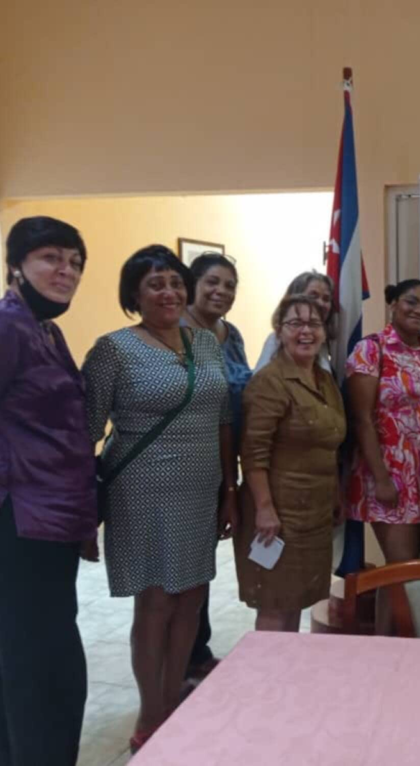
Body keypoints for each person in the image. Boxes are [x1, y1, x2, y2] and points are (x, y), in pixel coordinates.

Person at [0, 217, 95, 766]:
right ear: (16, 265)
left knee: (12, 667)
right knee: (50, 680)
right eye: (51, 258)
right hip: (6, 529)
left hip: (44, 528)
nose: (66, 271)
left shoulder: (43, 330)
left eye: (75, 262)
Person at [83, 245, 238, 753]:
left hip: (200, 489)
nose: (168, 292)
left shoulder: (206, 343)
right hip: (142, 492)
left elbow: (222, 419)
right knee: (156, 602)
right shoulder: (113, 350)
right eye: (155, 284)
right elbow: (85, 432)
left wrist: (229, 491)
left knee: (191, 597)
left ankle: (175, 699)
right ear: (134, 295)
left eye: (175, 282)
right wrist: (82, 513)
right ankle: (152, 713)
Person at [345, 279, 420, 634]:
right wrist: (381, 478)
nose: (419, 310)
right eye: (412, 301)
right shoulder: (371, 349)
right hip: (389, 473)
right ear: (393, 302)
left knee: (409, 570)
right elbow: (362, 419)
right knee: (401, 567)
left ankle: (391, 642)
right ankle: (390, 647)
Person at [236, 293, 345, 630]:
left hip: (315, 511)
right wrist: (264, 508)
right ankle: (269, 666)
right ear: (279, 331)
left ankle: (287, 665)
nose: (306, 331)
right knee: (274, 602)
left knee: (296, 599)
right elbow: (253, 452)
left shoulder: (324, 380)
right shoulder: (269, 382)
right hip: (278, 513)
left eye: (314, 323)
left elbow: (329, 444)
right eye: (295, 323)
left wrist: (336, 496)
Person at [181, 252, 253, 682]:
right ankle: (178, 662)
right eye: (212, 282)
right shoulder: (176, 333)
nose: (221, 291)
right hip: (184, 467)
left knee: (200, 566)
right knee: (181, 571)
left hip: (224, 464)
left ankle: (196, 649)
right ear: (192, 284)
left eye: (229, 285)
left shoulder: (231, 334)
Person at [254, 271, 335, 371]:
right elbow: (261, 378)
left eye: (326, 299)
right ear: (295, 298)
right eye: (313, 296)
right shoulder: (276, 340)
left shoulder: (321, 344)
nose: (320, 303)